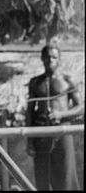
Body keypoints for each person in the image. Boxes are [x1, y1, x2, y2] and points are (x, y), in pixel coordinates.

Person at [26, 42, 84, 191]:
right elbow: (30, 111)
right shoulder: (35, 83)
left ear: (59, 59)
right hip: (40, 133)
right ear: (42, 58)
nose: (50, 60)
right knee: (42, 175)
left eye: (53, 57)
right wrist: (30, 141)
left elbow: (81, 107)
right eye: (47, 57)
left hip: (62, 132)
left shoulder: (67, 81)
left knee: (66, 174)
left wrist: (61, 114)